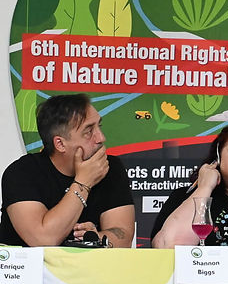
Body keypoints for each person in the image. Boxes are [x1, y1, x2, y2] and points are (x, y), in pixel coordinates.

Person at [0, 94, 135, 247]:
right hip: (30, 270)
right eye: (89, 131)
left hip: (89, 269)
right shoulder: (22, 172)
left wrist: (97, 238)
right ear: (60, 144)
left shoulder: (110, 168)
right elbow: (43, 239)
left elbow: (123, 236)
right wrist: (84, 182)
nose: (101, 138)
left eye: (99, 126)